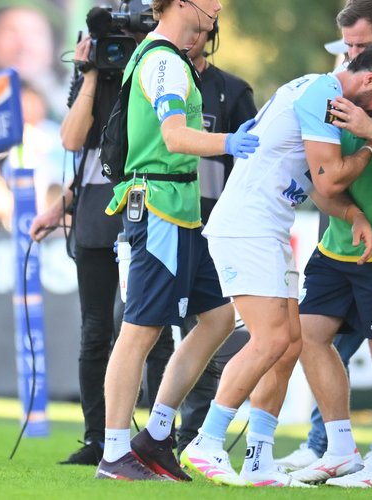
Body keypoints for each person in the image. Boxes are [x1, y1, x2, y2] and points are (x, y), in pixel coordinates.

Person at [181, 43, 372, 488]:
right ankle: (207, 440)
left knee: (289, 345)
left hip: (268, 227)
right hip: (248, 226)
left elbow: (316, 185)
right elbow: (329, 178)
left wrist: (353, 213)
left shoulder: (317, 91)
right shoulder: (323, 94)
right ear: (369, 80)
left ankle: (258, 460)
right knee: (271, 340)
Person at [93, 0, 260, 481]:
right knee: (140, 331)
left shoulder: (169, 57)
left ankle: (156, 435)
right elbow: (175, 137)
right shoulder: (165, 61)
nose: (219, 5)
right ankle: (114, 453)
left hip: (180, 210)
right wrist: (231, 141)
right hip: (160, 209)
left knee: (219, 317)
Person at [286, 0, 372, 488]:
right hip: (340, 239)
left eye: (361, 45)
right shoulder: (335, 88)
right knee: (307, 334)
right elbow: (320, 174)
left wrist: (369, 131)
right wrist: (350, 212)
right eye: (347, 46)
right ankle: (339, 449)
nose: (351, 56)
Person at [27, 29, 176, 466]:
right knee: (95, 332)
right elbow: (73, 143)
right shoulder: (93, 80)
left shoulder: (159, 72)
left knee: (154, 331)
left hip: (146, 211)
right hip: (95, 217)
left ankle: (157, 438)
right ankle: (97, 439)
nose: (118, 50)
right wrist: (90, 75)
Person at [172, 20, 258, 456]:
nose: (192, 38)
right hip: (163, 217)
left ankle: (191, 435)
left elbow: (253, 160)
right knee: (139, 328)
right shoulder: (156, 76)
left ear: (213, 34)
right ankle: (151, 433)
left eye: (201, 30)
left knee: (208, 327)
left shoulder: (233, 90)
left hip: (214, 226)